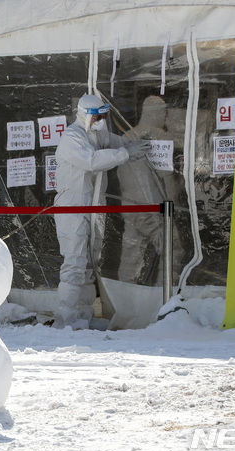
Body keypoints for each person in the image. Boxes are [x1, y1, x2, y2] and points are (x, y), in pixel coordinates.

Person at [53, 94, 149, 329]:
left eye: (102, 116)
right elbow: (92, 161)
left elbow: (118, 143)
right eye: (96, 116)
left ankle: (82, 318)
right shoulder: (71, 138)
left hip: (93, 207)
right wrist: (126, 153)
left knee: (88, 264)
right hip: (72, 207)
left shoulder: (97, 134)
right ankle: (65, 321)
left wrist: (134, 144)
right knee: (74, 263)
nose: (100, 120)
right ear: (84, 115)